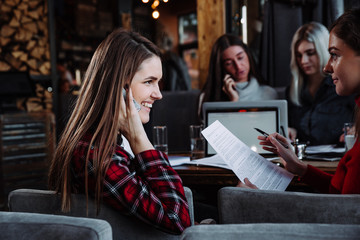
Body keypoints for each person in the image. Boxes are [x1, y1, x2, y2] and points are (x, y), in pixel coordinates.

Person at [48, 28, 191, 234]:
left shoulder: (108, 142)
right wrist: (138, 137)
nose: (158, 94)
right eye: (149, 82)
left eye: (158, 82)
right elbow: (178, 219)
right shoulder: (95, 155)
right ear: (120, 89)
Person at [241, 8, 360, 194]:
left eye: (334, 55)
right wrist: (299, 167)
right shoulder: (294, 90)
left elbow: (343, 214)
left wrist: (262, 200)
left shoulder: (343, 94)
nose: (327, 67)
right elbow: (341, 195)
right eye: (299, 55)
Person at [287, 22, 355, 145]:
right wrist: (289, 130)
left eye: (310, 53)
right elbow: (289, 128)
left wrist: (355, 130)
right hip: (302, 159)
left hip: (334, 159)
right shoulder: (293, 91)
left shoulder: (343, 86)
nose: (304, 61)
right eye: (299, 55)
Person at [198, 34, 278, 118]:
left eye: (240, 57)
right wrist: (233, 102)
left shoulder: (268, 93)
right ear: (221, 68)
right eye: (229, 63)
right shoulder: (207, 97)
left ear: (248, 55)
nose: (238, 66)